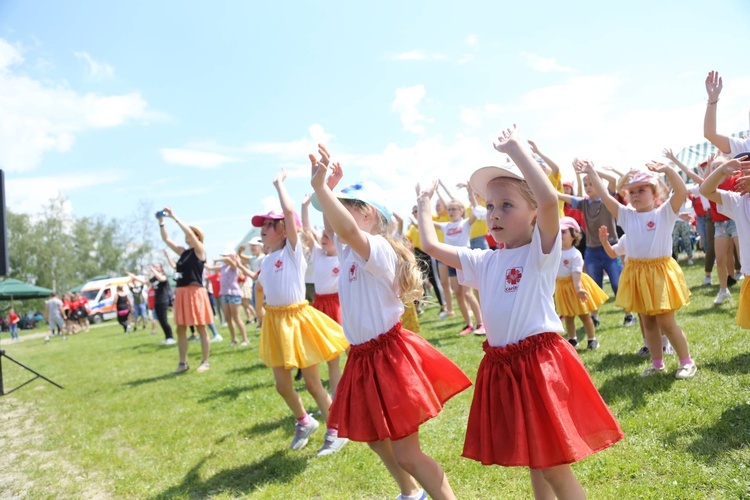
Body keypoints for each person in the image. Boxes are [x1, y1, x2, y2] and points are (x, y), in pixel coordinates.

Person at [419, 126, 622, 499]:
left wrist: (515, 150)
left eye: (507, 205)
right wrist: (422, 203)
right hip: (505, 368)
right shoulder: (482, 261)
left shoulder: (540, 252)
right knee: (535, 459)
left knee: (553, 469)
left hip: (539, 365)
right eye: (491, 206)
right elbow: (430, 244)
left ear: (533, 215)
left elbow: (548, 201)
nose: (494, 214)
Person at [311, 147, 471, 499]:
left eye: (346, 209)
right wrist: (328, 190)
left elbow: (347, 232)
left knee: (408, 453)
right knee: (374, 438)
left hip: (388, 357)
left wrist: (323, 190)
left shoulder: (375, 248)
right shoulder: (349, 249)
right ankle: (411, 494)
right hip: (363, 357)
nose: (335, 223)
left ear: (366, 214)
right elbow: (338, 228)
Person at [252, 168, 349, 455]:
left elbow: (289, 209)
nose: (262, 230)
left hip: (297, 321)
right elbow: (260, 289)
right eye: (262, 227)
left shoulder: (292, 253)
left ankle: (336, 430)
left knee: (312, 383)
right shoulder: (267, 261)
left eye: (268, 225)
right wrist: (259, 312)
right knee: (283, 386)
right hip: (275, 322)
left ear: (283, 229)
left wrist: (278, 183)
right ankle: (304, 421)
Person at [584, 161, 697, 379]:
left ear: (655, 194)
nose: (635, 195)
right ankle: (657, 364)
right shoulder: (627, 215)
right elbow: (606, 197)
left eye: (641, 190)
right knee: (648, 322)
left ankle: (686, 362)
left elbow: (681, 190)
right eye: (632, 192)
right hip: (637, 274)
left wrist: (666, 170)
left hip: (660, 272)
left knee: (666, 321)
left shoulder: (665, 212)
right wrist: (591, 172)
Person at [558, 162, 628, 327]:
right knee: (593, 284)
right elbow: (563, 197)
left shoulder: (607, 199)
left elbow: (612, 179)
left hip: (611, 248)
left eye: (591, 184)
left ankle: (628, 314)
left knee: (617, 283)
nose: (588, 187)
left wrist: (593, 172)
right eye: (586, 184)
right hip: (592, 250)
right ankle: (594, 316)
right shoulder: (584, 203)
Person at [158, 207, 213, 373]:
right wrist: (161, 222)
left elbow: (187, 231)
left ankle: (205, 361)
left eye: (191, 234)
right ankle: (183, 363)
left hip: (195, 292)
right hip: (182, 292)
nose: (187, 236)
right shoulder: (184, 252)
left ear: (197, 237)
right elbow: (167, 239)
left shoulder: (199, 251)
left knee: (201, 327)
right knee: (180, 328)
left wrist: (174, 216)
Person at [700, 153, 750, 328]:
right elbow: (705, 190)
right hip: (749, 272)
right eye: (741, 170)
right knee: (721, 257)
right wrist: (721, 169)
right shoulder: (738, 201)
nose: (744, 175)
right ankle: (724, 288)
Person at [431, 190, 486, 335]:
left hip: (465, 260)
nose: (450, 211)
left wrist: (471, 194)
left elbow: (477, 212)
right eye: (449, 209)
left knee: (468, 294)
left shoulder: (466, 222)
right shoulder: (445, 226)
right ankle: (469, 324)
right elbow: (428, 223)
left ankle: (481, 323)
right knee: (458, 294)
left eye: (454, 209)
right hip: (451, 262)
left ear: (462, 211)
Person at [555, 216, 608, 349]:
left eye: (563, 232)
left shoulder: (575, 254)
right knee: (568, 316)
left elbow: (576, 272)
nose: (560, 235)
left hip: (575, 286)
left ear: (573, 235)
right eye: (558, 232)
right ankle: (572, 339)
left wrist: (578, 288)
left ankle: (592, 339)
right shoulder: (554, 252)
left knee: (584, 315)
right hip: (562, 287)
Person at [208, 252, 250, 347]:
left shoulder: (233, 266)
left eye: (226, 256)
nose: (224, 258)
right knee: (228, 318)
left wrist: (218, 259)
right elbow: (209, 268)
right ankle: (234, 339)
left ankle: (245, 339)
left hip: (234, 294)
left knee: (236, 317)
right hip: (224, 294)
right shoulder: (222, 268)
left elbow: (229, 261)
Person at [148, 263, 176, 345]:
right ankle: (167, 337)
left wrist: (153, 270)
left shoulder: (164, 276)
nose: (155, 268)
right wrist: (133, 277)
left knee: (164, 320)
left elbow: (161, 279)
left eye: (157, 267)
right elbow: (145, 282)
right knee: (160, 321)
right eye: (154, 267)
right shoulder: (154, 278)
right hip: (157, 301)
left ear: (161, 268)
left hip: (164, 300)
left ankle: (171, 337)